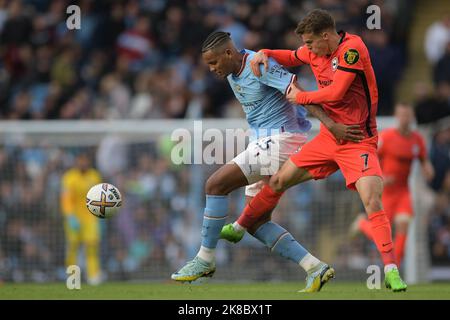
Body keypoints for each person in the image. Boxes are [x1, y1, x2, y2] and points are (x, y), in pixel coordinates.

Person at [220, 9, 408, 292]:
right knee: (279, 180)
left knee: (371, 200)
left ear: (326, 35)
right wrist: (265, 52)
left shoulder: (353, 50)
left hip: (358, 140)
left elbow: (336, 94)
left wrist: (300, 96)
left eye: (310, 42)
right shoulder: (314, 52)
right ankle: (240, 226)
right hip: (327, 139)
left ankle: (392, 270)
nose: (306, 48)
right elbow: (291, 56)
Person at [171, 31, 364, 292]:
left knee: (215, 185)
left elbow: (298, 93)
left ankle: (204, 259)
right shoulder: (231, 72)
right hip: (263, 141)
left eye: (214, 62)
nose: (212, 69)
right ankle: (314, 267)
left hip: (281, 139)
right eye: (208, 64)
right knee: (256, 223)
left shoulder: (259, 65)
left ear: (229, 53)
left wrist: (331, 126)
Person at [351, 103, 434, 267]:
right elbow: (371, 157)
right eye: (402, 115)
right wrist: (380, 176)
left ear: (412, 117)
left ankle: (393, 269)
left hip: (404, 192)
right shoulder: (387, 138)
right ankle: (362, 224)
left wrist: (428, 169)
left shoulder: (417, 140)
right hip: (387, 192)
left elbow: (424, 160)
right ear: (397, 117)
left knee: (403, 225)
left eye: (408, 115)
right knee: (383, 233)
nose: (405, 119)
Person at [61, 151, 103, 285]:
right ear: (76, 161)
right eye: (80, 160)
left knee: (91, 247)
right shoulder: (69, 177)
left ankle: (93, 276)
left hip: (90, 218)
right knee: (73, 247)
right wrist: (70, 215)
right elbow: (66, 199)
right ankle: (73, 278)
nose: (83, 163)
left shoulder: (95, 176)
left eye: (85, 160)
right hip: (74, 218)